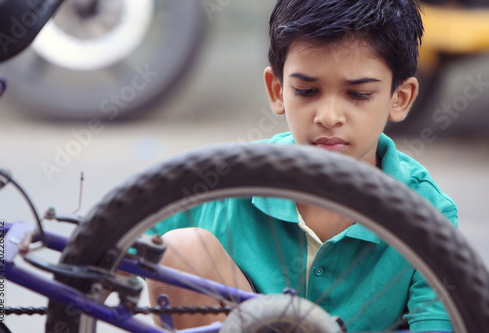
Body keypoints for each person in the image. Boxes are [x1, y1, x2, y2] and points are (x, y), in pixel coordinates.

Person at [146, 0, 458, 331]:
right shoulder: (228, 179)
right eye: (307, 91)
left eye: (358, 94)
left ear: (401, 98)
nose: (328, 117)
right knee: (181, 250)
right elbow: (109, 249)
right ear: (277, 90)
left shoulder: (428, 214)